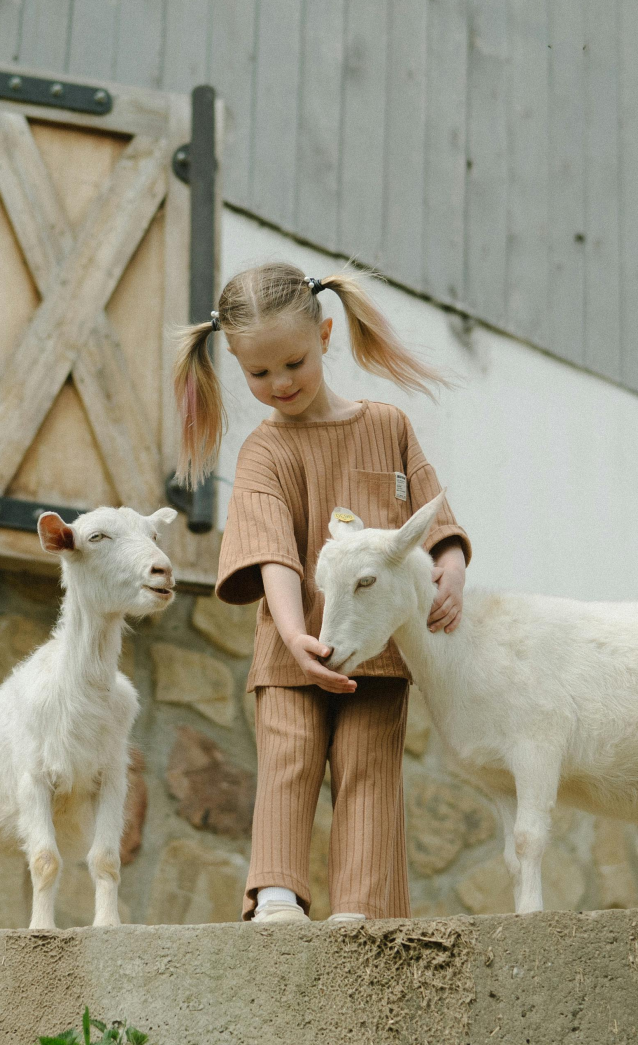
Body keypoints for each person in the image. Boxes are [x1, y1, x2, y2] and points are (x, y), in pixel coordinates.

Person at [173, 263, 471, 923]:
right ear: (236, 364)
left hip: (377, 650)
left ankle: (361, 912)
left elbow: (433, 510)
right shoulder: (262, 452)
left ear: (327, 335)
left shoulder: (387, 426)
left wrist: (450, 564)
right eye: (259, 374)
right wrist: (291, 634)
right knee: (290, 754)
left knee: (370, 768)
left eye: (293, 363)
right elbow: (271, 551)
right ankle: (277, 895)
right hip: (292, 650)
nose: (279, 384)